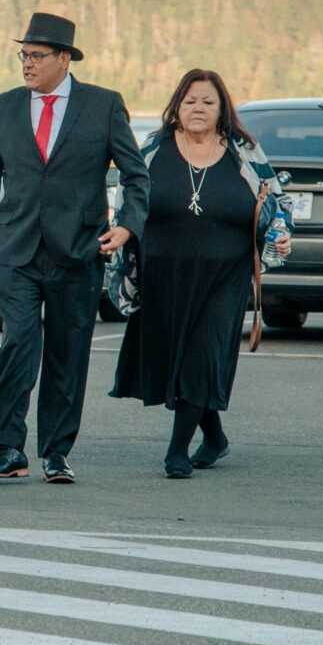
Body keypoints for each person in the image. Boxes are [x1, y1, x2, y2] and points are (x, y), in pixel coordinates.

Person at [0, 13, 149, 483]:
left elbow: (136, 174)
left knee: (69, 353)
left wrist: (127, 226)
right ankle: (8, 448)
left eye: (36, 56)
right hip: (16, 248)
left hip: (78, 249)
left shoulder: (103, 106)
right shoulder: (2, 107)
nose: (26, 64)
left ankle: (55, 452)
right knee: (18, 342)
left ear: (64, 59)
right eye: (23, 55)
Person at [111, 67, 278, 477]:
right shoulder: (153, 149)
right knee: (176, 360)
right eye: (190, 101)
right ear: (176, 107)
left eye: (207, 101)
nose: (198, 108)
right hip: (163, 276)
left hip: (225, 276)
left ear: (222, 108)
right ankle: (215, 436)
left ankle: (176, 451)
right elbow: (129, 199)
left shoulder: (244, 151)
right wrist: (121, 237)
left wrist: (278, 237)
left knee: (201, 356)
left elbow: (275, 202)